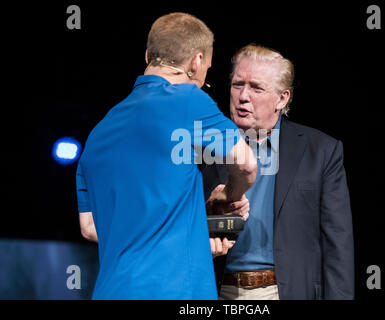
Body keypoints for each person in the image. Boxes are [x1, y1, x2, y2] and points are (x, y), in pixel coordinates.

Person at [75, 13, 257, 300]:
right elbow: (246, 165)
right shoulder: (187, 99)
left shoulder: (99, 132)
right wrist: (228, 197)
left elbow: (89, 228)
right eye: (207, 69)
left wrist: (192, 234)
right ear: (197, 62)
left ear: (148, 54)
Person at [202, 44, 354, 300]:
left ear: (282, 99)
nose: (243, 96)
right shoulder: (204, 146)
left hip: (288, 292)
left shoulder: (321, 151)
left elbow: (338, 243)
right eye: (238, 84)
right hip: (217, 291)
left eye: (256, 87)